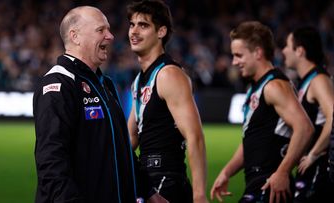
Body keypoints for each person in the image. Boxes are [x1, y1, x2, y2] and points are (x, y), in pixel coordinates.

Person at [33, 6, 138, 202]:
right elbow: (51, 161)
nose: (111, 36)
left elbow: (120, 147)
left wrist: (148, 190)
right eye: (101, 30)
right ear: (75, 36)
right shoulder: (59, 83)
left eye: (108, 29)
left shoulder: (104, 84)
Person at [210, 21, 314, 203]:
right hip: (259, 183)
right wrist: (226, 172)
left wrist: (282, 172)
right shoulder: (258, 87)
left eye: (238, 55)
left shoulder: (274, 86)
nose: (234, 62)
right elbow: (251, 140)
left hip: (271, 186)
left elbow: (305, 128)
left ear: (258, 52)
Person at [126, 1, 209, 203]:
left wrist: (199, 194)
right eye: (131, 24)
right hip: (146, 180)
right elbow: (131, 136)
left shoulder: (169, 74)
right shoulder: (139, 81)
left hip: (167, 181)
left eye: (143, 25)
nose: (134, 31)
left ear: (161, 31)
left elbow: (194, 136)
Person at [282, 26, 334, 202]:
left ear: (300, 51)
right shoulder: (308, 81)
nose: (283, 51)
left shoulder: (318, 80)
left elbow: (333, 116)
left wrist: (313, 153)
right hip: (312, 168)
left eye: (287, 46)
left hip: (320, 167)